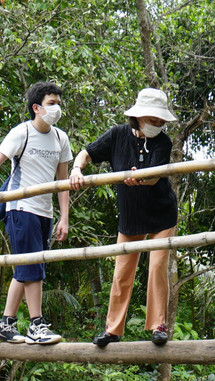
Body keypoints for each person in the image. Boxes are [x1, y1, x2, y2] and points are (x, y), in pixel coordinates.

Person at [0, 81, 71, 344]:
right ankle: (36, 325)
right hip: (21, 208)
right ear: (37, 108)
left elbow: (64, 181)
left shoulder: (60, 138)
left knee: (27, 265)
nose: (57, 108)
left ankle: (5, 325)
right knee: (32, 266)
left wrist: (64, 217)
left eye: (58, 103)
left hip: (45, 212)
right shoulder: (22, 132)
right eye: (51, 104)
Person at [69, 87, 179, 347]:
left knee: (156, 267)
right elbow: (87, 153)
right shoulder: (117, 135)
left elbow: (154, 177)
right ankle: (113, 329)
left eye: (162, 121)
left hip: (162, 215)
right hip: (131, 216)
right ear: (139, 117)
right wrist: (76, 169)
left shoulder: (163, 141)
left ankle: (158, 326)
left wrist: (140, 178)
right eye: (154, 121)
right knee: (122, 272)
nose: (158, 125)